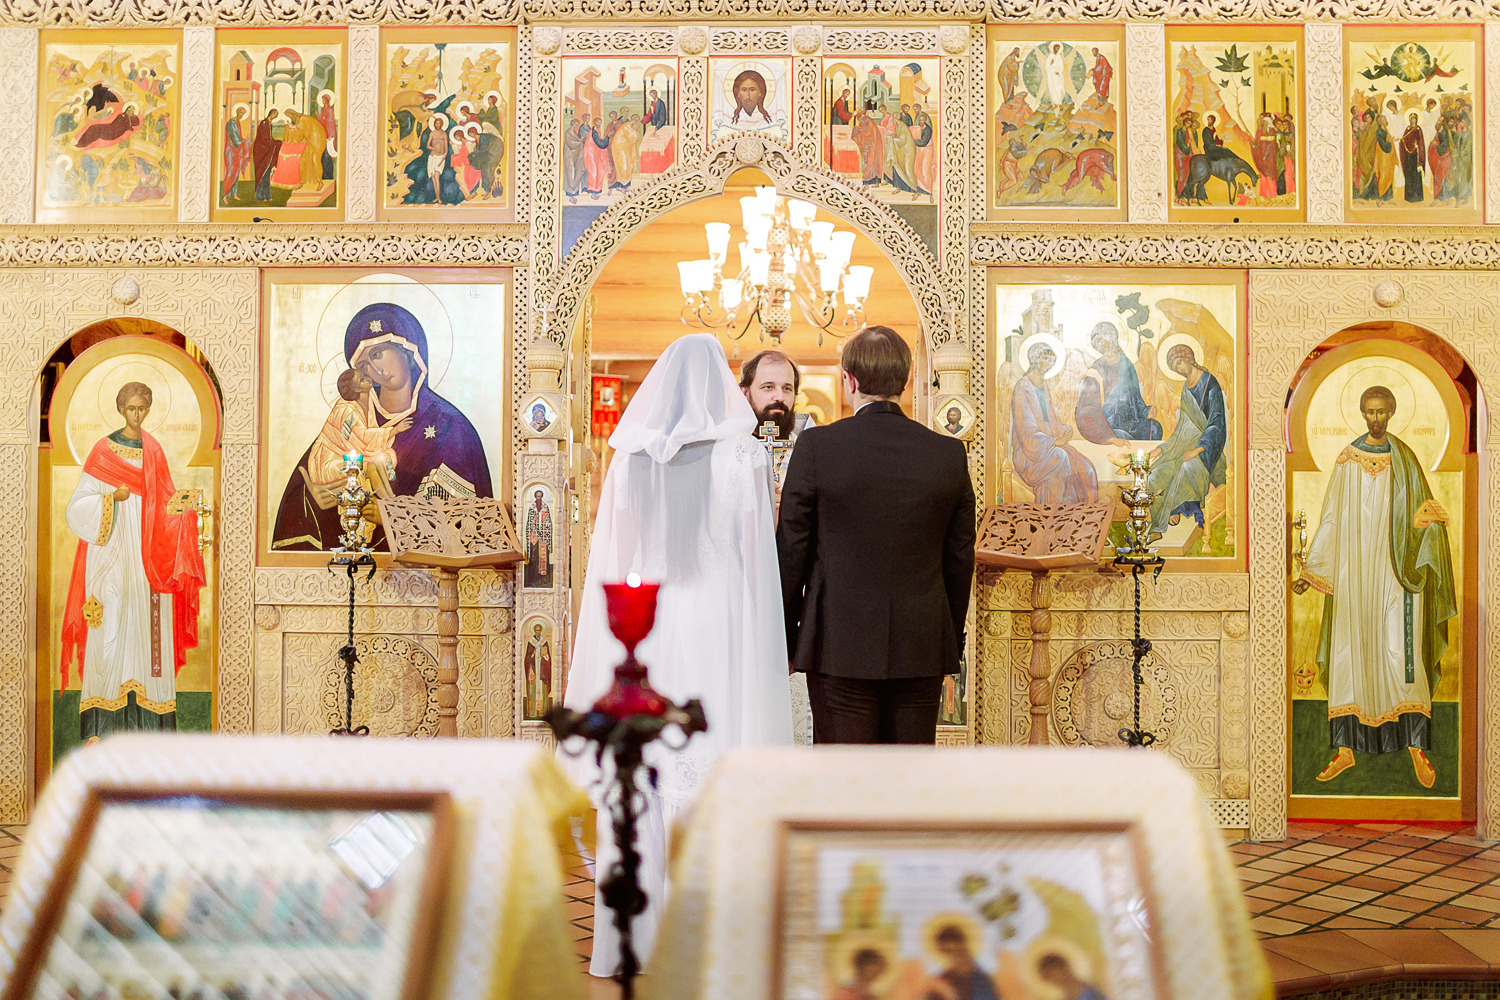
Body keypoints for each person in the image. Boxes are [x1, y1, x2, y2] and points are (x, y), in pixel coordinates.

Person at [563, 333, 792, 976]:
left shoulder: (629, 457)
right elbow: (756, 562)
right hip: (719, 618)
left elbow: (614, 558)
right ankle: (716, 940)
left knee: (646, 763)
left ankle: (630, 938)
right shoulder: (743, 456)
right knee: (711, 751)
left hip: (649, 625)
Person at [778, 326, 975, 745]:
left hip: (837, 643)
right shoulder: (947, 454)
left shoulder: (816, 447)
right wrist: (947, 636)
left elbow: (792, 548)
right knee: (910, 782)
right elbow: (960, 558)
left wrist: (787, 635)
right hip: (921, 643)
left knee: (842, 780)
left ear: (849, 381)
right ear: (903, 382)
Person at [1293, 386, 1456, 789]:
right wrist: (1311, 572)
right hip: (1353, 573)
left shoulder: (1406, 460)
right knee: (1352, 651)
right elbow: (1330, 517)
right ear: (1361, 414)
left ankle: (1416, 748)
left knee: (1402, 653)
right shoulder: (1348, 458)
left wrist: (1423, 525)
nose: (1376, 419)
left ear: (1393, 413)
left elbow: (1428, 517)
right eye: (1369, 412)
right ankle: (1346, 750)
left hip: (1398, 574)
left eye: (1382, 412)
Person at [272, 302, 492, 551]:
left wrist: (391, 514)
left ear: (407, 350)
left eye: (378, 354)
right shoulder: (353, 418)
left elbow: (469, 523)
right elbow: (308, 482)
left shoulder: (450, 427)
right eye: (364, 365)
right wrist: (314, 497)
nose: (376, 369)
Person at [60, 383, 207, 742]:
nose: (137, 415)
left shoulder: (153, 450)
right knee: (107, 629)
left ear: (149, 410)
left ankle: (151, 727)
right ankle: (100, 728)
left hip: (148, 557)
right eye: (131, 408)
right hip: (109, 552)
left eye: (143, 408)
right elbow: (77, 506)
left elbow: (166, 502)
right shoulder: (101, 450)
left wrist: (184, 516)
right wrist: (111, 497)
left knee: (147, 629)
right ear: (120, 409)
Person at [1145, 342, 1226, 536]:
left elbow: (1217, 423)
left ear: (1189, 359)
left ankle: (1174, 509)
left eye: (1180, 363)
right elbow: (1182, 427)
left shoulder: (1209, 382)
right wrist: (1162, 449)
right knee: (1157, 472)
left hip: (1208, 448)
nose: (1179, 370)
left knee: (1186, 468)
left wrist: (1197, 450)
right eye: (1175, 368)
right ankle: (1161, 517)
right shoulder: (1185, 389)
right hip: (1184, 445)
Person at [1010, 341, 1098, 503]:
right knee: (1061, 457)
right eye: (1045, 358)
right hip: (1029, 453)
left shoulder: (1043, 385)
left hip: (1046, 445)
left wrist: (1064, 429)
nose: (1049, 363)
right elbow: (1025, 429)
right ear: (1034, 359)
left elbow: (1048, 420)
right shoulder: (1023, 388)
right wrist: (1053, 441)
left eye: (1051, 360)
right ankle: (1057, 515)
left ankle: (1080, 514)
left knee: (1086, 467)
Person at [306, 368, 411, 489]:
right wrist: (395, 430)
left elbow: (367, 436)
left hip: (355, 454)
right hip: (332, 460)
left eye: (365, 375)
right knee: (369, 467)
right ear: (356, 389)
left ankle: (388, 497)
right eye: (361, 380)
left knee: (385, 457)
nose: (367, 378)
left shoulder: (369, 402)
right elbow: (360, 437)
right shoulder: (346, 410)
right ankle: (385, 500)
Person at [1074, 321, 1160, 444]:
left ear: (1112, 337)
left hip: (1131, 420)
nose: (1101, 345)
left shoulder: (1126, 363)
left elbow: (1135, 397)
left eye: (1103, 340)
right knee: (1121, 435)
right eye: (1097, 342)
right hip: (1108, 421)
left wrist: (1146, 411)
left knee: (1155, 429)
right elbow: (1087, 405)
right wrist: (1107, 435)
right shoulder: (1096, 369)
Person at [927, 924, 1000, 1000]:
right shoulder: (940, 983)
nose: (956, 957)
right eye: (949, 951)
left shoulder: (985, 980)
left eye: (959, 951)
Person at [1400, 111, 1425, 203]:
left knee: (1416, 175)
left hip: (1416, 155)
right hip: (1408, 155)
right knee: (1409, 174)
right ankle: (1409, 197)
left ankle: (1417, 197)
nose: (1412, 120)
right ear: (1409, 119)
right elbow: (1404, 139)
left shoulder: (1418, 129)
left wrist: (1418, 148)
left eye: (1414, 118)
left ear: (1417, 119)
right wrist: (1401, 142)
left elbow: (1421, 142)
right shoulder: (1407, 129)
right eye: (1411, 118)